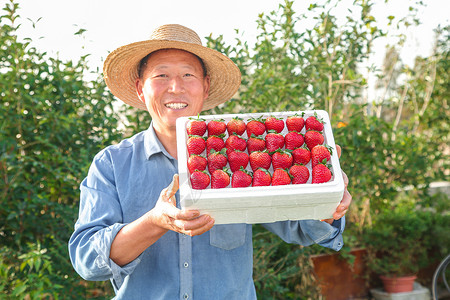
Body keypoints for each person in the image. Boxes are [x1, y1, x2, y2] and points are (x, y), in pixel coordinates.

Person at [68, 24, 352, 299]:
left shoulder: (242, 154)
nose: (175, 87)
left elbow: (302, 228)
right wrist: (155, 222)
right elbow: (87, 260)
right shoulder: (112, 164)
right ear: (141, 88)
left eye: (188, 75)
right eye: (161, 75)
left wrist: (328, 201)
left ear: (205, 87)